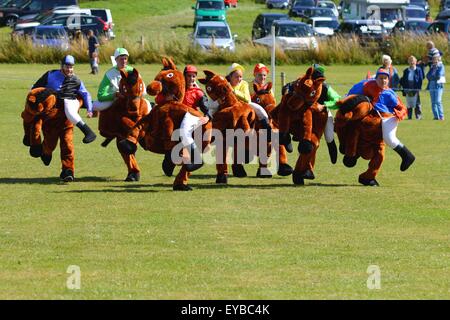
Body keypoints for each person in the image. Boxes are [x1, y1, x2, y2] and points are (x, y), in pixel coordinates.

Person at [347, 68, 415, 171]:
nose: (383, 81)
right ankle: (354, 153)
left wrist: (399, 113)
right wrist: (345, 99)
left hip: (389, 117)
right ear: (376, 78)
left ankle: (407, 156)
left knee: (389, 138)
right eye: (381, 78)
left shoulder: (389, 93)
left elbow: (402, 107)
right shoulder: (368, 86)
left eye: (385, 79)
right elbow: (355, 90)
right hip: (375, 116)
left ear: (388, 80)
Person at [32, 55, 96, 144]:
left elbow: (85, 94)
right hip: (50, 111)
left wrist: (89, 109)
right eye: (67, 67)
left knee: (66, 140)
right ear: (61, 66)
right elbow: (35, 88)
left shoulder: (76, 80)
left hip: (69, 107)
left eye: (71, 67)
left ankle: (88, 132)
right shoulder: (50, 75)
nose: (69, 69)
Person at [225, 63, 273, 140]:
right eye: (236, 76)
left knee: (259, 109)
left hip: (244, 104)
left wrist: (234, 91)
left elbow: (247, 99)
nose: (239, 79)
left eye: (240, 76)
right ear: (230, 77)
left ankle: (267, 128)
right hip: (230, 105)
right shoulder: (225, 84)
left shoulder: (244, 83)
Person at [93, 48, 146, 112]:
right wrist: (115, 95)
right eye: (121, 59)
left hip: (132, 98)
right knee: (95, 105)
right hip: (115, 99)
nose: (124, 61)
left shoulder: (133, 71)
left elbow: (143, 91)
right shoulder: (109, 74)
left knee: (148, 105)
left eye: (125, 59)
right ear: (116, 60)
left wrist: (134, 96)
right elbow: (101, 95)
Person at [399, 55, 425, 120]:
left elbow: (421, 79)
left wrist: (418, 89)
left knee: (417, 103)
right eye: (410, 61)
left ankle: (418, 117)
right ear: (408, 62)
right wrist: (404, 89)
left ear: (415, 62)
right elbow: (404, 80)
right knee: (409, 103)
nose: (412, 62)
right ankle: (409, 116)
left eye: (413, 61)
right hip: (408, 88)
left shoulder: (418, 70)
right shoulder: (406, 70)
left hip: (416, 87)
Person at [426, 52, 446, 120]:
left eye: (435, 59)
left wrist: (432, 77)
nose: (434, 60)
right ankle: (436, 116)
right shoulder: (432, 67)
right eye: (433, 59)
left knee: (438, 101)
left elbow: (438, 76)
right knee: (433, 101)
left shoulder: (441, 66)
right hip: (431, 84)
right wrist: (432, 77)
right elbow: (427, 76)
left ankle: (441, 116)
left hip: (438, 85)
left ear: (438, 59)